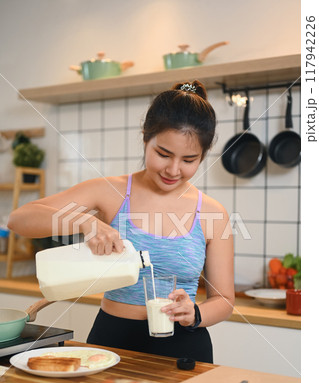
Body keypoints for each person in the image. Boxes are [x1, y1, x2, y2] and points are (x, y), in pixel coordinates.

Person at [8, 80, 234, 363]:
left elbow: (224, 299)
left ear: (203, 154)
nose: (173, 170)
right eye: (163, 154)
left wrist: (196, 314)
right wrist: (84, 222)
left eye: (189, 159)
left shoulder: (213, 213)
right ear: (145, 138)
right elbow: (20, 219)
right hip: (113, 339)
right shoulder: (111, 192)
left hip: (184, 347)